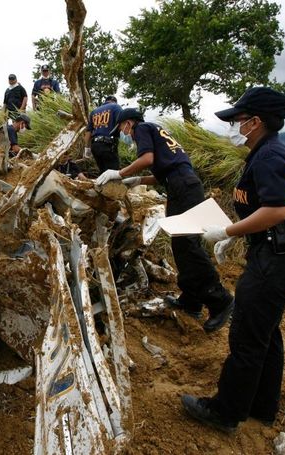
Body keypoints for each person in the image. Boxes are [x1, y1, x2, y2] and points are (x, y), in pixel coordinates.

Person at [181, 87, 285, 433]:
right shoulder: (269, 153)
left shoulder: (270, 156)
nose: (233, 127)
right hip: (283, 258)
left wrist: (229, 232)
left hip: (275, 264)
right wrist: (238, 234)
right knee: (265, 335)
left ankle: (224, 412)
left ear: (255, 122)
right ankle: (263, 407)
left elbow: (276, 209)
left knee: (246, 338)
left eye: (237, 120)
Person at [96, 108, 234, 333]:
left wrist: (119, 174)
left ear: (129, 123)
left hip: (184, 188)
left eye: (121, 128)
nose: (123, 133)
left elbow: (147, 159)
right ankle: (191, 300)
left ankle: (221, 300)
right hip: (181, 186)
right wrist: (137, 180)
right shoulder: (155, 131)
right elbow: (162, 173)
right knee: (180, 245)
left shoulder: (142, 128)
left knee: (188, 245)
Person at [84, 95, 123, 173]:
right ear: (114, 101)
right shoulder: (116, 107)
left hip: (95, 146)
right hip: (108, 145)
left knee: (103, 172)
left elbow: (88, 131)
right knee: (113, 173)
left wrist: (87, 148)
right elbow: (121, 124)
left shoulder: (94, 112)